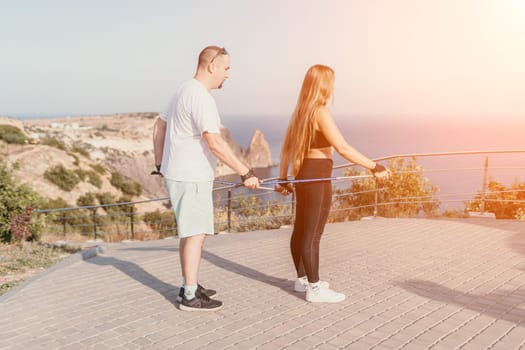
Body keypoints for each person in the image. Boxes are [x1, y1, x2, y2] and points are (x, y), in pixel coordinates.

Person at [152, 46, 259, 311]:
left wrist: (159, 162)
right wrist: (245, 171)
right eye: (226, 68)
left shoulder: (183, 89)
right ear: (211, 65)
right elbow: (215, 142)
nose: (228, 74)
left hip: (179, 174)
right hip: (192, 176)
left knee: (190, 233)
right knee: (196, 234)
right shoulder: (201, 97)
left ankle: (190, 284)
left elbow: (159, 125)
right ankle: (189, 296)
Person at [275, 64, 390, 303]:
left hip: (303, 175)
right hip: (317, 175)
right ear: (325, 85)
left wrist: (284, 178)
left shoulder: (300, 112)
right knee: (313, 233)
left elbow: (286, 149)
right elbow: (343, 147)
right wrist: (373, 166)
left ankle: (302, 280)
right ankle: (315, 289)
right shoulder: (320, 112)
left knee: (301, 230)